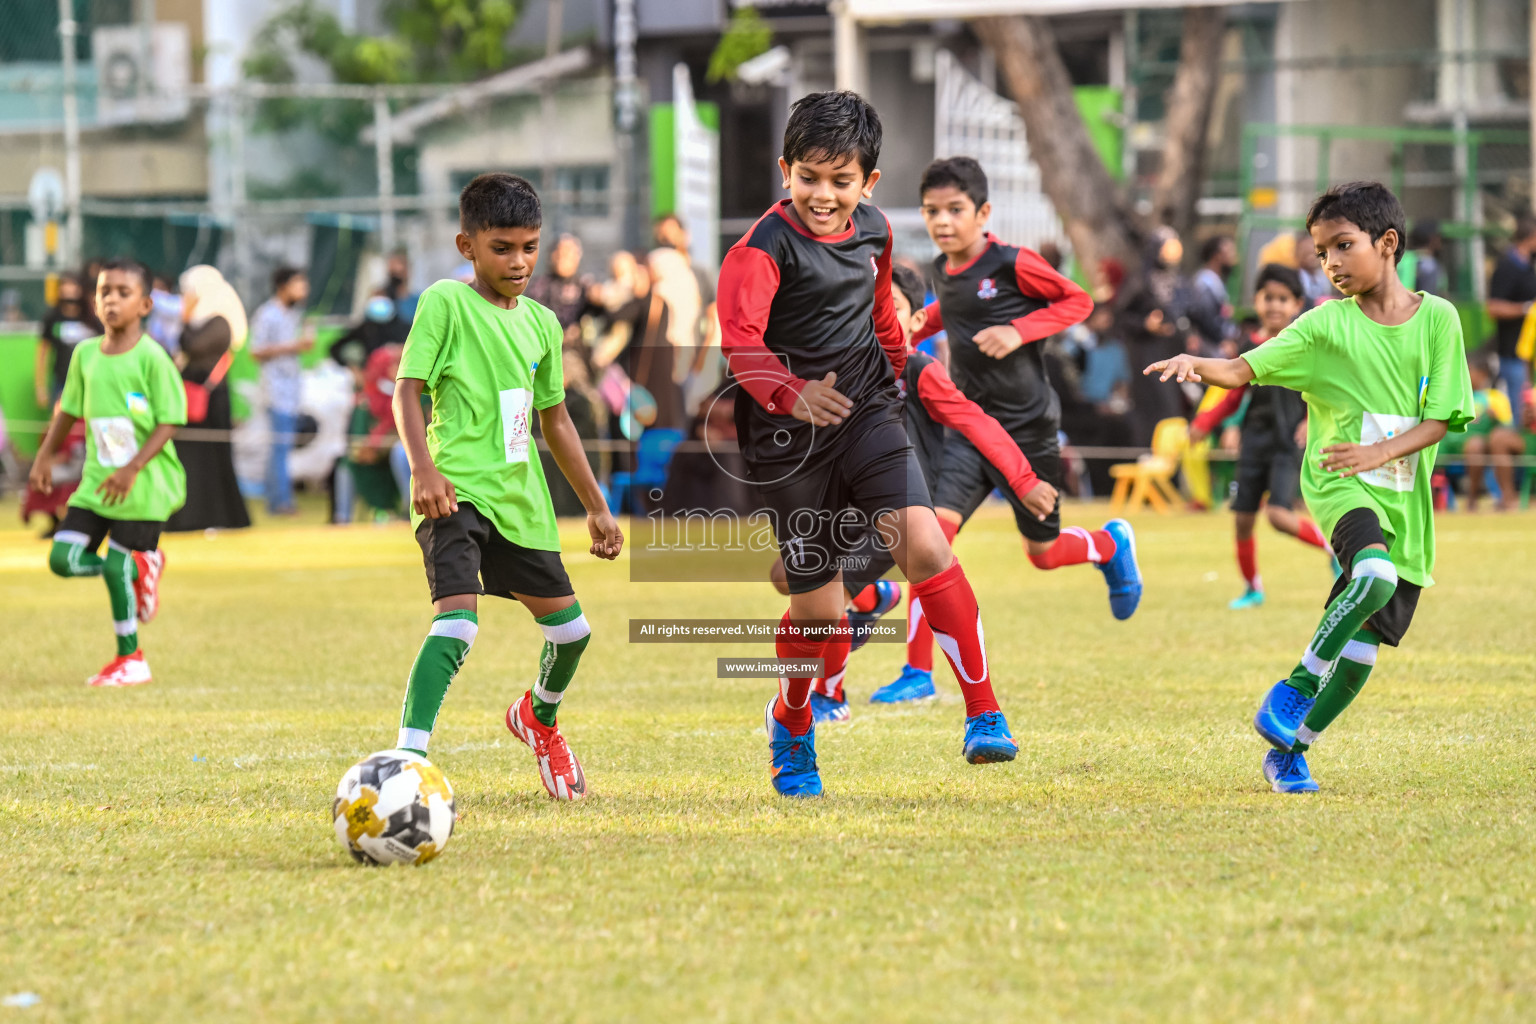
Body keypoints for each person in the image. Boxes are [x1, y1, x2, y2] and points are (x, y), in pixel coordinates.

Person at [719, 91, 1019, 796]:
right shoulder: (759, 250)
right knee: (820, 612)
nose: (824, 195)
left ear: (868, 184)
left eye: (841, 180)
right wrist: (792, 395)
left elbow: (884, 316)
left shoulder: (877, 232)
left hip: (865, 409)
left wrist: (895, 380)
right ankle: (792, 722)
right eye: (810, 177)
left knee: (925, 545)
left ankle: (984, 712)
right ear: (786, 170)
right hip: (786, 439)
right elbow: (742, 345)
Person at [1144, 180, 1474, 795]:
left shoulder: (1439, 320)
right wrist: (1198, 366)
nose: (1331, 264)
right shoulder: (1323, 325)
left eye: (1343, 246)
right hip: (1339, 483)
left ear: (1388, 242)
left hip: (1403, 495)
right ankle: (1295, 684)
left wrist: (1379, 450)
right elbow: (1244, 368)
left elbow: (1441, 419)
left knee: (1362, 663)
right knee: (1370, 578)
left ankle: (1292, 753)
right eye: (1322, 253)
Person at [392, 172, 624, 803]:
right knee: (458, 625)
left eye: (530, 246)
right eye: (502, 248)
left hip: (521, 502)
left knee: (572, 634)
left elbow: (556, 420)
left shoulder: (545, 324)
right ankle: (406, 761)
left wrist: (597, 506)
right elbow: (406, 389)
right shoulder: (445, 301)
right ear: (468, 245)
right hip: (456, 492)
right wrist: (423, 468)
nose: (519, 261)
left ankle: (538, 719)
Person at [911, 156, 1143, 620]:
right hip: (969, 429)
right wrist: (914, 327)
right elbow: (956, 312)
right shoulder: (942, 268)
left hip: (1026, 426)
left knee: (1044, 553)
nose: (943, 221)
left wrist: (1018, 330)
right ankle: (918, 673)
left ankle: (1107, 545)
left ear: (983, 213)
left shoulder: (1011, 262)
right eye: (932, 211)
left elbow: (1077, 301)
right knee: (930, 541)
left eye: (955, 209)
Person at [839, 264, 1054, 711]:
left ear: (916, 322)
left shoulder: (921, 371)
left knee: (824, 595)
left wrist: (1024, 479)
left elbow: (977, 422)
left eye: (888, 309)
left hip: (901, 508)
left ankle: (826, 697)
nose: (873, 319)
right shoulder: (841, 368)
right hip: (845, 506)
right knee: (787, 578)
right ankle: (875, 597)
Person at [27, 260, 184, 688]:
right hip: (98, 481)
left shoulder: (152, 357)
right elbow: (69, 410)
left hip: (145, 484)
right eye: (104, 292)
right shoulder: (84, 354)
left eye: (123, 292)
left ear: (146, 304)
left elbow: (172, 418)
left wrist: (133, 468)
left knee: (114, 563)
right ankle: (141, 571)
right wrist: (43, 457)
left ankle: (131, 659)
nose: (111, 299)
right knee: (64, 558)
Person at [1188, 264, 1336, 609]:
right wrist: (1207, 423)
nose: (1274, 306)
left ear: (1298, 304)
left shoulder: (1304, 345)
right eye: (1268, 298)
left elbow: (1324, 388)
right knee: (1242, 521)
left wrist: (1310, 420)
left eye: (1283, 299)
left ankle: (1332, 549)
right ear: (1256, 301)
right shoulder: (1249, 346)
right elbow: (1233, 391)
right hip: (1255, 443)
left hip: (1288, 444)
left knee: (1278, 516)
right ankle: (1252, 588)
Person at [167, 266, 250, 533]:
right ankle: (188, 515)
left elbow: (192, 346)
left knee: (210, 458)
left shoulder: (219, 322)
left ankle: (213, 515)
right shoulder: (201, 322)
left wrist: (185, 316)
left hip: (210, 401)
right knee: (189, 458)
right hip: (192, 399)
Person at [249, 266, 313, 516]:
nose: (303, 290)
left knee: (281, 447)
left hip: (290, 391)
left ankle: (276, 500)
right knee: (280, 447)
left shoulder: (293, 315)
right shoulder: (268, 314)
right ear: (283, 286)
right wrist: (294, 345)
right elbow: (255, 350)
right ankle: (281, 502)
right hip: (275, 391)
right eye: (299, 284)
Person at [1443, 352, 1524, 511]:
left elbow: (1507, 428)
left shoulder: (1495, 397)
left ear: (1482, 373)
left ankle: (1477, 499)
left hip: (1480, 445)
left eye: (1468, 370)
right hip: (1451, 443)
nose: (1463, 373)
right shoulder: (1456, 395)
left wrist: (1495, 418)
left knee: (1475, 445)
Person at [1485, 215, 1536, 427]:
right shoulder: (1507, 266)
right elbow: (1493, 307)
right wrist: (1526, 309)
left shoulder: (1528, 267)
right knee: (1519, 413)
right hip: (1513, 354)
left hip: (1528, 355)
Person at [35, 273, 102, 410]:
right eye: (65, 285)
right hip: (62, 381)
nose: (69, 289)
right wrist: (40, 387)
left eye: (73, 285)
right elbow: (42, 353)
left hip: (90, 381)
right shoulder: (52, 318)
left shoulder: (93, 318)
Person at [1188, 235, 1238, 355]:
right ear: (1217, 255)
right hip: (1210, 348)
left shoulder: (1217, 281)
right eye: (1229, 251)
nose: (1234, 256)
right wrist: (1222, 340)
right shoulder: (1205, 283)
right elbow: (1206, 316)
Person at [1400, 220, 1444, 296]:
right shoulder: (1429, 264)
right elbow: (1430, 297)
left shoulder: (1403, 258)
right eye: (1439, 237)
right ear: (1433, 239)